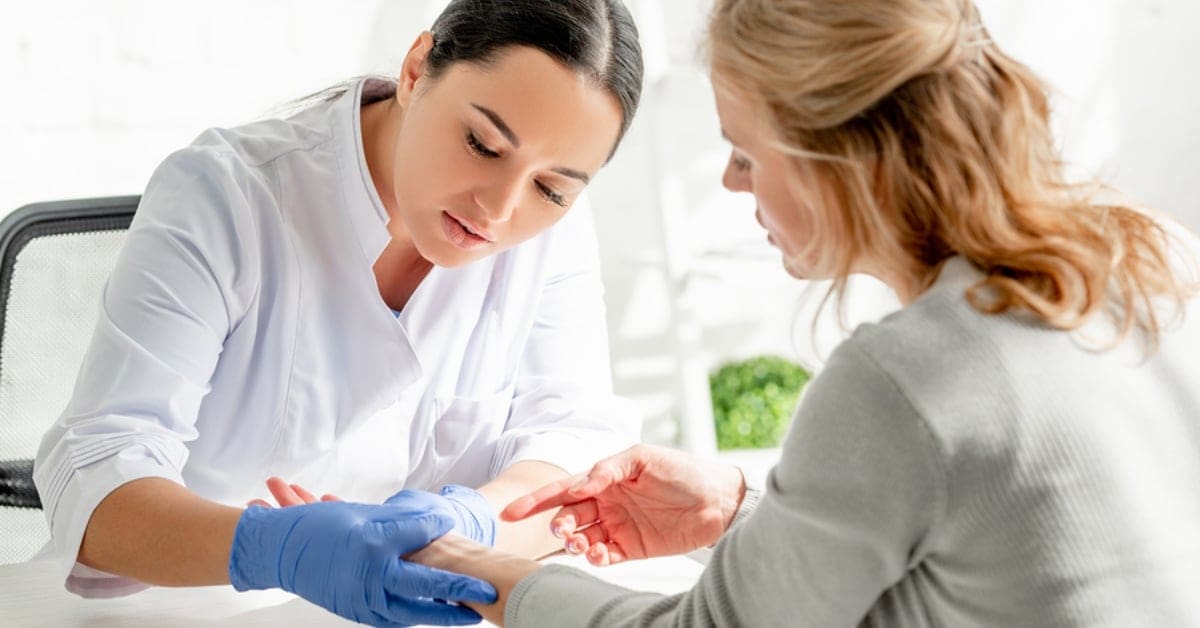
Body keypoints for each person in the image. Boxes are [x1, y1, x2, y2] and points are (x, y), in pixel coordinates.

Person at [282, 0, 1200, 625]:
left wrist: (451, 561)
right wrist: (740, 510)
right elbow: (988, 564)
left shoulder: (905, 378)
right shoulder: (1152, 260)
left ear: (836, 152)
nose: (730, 181)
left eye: (745, 150)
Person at [31, 0, 645, 625]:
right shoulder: (224, 196)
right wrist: (272, 549)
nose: (498, 208)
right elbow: (98, 473)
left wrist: (472, 522)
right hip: (182, 614)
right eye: (482, 145)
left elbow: (576, 444)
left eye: (551, 189)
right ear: (415, 69)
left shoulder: (552, 234)